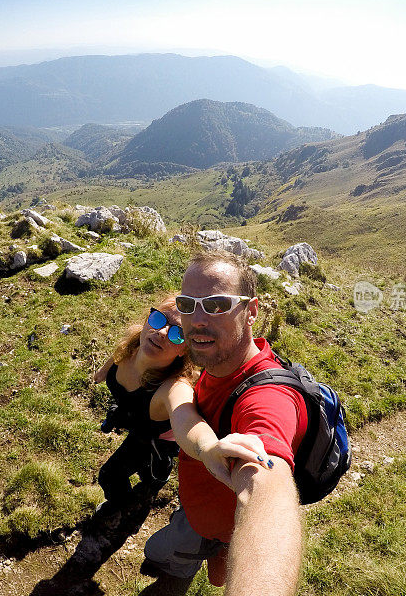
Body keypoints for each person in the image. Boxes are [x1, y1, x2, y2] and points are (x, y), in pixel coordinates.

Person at [143, 251, 308, 596]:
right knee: (218, 563)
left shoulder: (269, 396)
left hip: (209, 523)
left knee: (158, 552)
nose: (198, 319)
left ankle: (192, 561)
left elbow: (267, 485)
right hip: (209, 509)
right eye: (188, 304)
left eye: (217, 305)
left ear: (251, 312)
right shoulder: (223, 358)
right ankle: (220, 552)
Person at [93, 294, 271, 511]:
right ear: (149, 319)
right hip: (134, 416)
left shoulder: (174, 387)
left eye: (178, 333)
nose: (161, 332)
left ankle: (125, 504)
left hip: (155, 439)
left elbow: (187, 418)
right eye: (159, 319)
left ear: (185, 349)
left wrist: (208, 448)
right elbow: (118, 356)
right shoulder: (135, 342)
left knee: (110, 475)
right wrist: (102, 372)